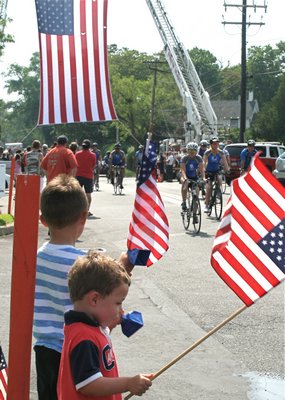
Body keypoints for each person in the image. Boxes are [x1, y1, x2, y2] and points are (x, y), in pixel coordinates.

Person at [57, 251, 153, 399]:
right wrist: (128, 383)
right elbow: (88, 384)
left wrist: (109, 328)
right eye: (118, 303)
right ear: (94, 299)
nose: (120, 310)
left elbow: (98, 352)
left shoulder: (87, 328)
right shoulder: (84, 338)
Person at [33, 175, 89, 400]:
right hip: (77, 348)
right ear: (83, 217)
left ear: (42, 220)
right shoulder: (82, 263)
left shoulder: (36, 258)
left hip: (45, 348)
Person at [180, 142, 205, 221]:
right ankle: (184, 202)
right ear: (187, 151)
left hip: (194, 177)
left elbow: (202, 170)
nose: (192, 153)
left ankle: (194, 214)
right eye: (190, 151)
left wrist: (203, 178)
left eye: (193, 152)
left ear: (196, 152)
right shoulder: (185, 158)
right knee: (185, 184)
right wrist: (185, 178)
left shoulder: (198, 158)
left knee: (196, 196)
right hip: (185, 176)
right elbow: (183, 170)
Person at [203, 137, 229, 213]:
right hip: (209, 171)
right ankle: (207, 205)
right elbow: (204, 162)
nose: (216, 145)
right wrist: (204, 170)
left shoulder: (221, 152)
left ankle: (218, 192)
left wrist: (227, 170)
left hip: (217, 170)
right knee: (209, 188)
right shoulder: (207, 152)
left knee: (220, 178)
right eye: (214, 144)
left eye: (217, 144)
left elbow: (225, 162)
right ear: (211, 144)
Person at [75, 139, 97, 216]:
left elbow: (75, 164)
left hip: (78, 176)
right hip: (88, 176)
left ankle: (77, 210)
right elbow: (93, 166)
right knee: (88, 194)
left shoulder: (77, 154)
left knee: (77, 194)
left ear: (83, 146)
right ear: (89, 146)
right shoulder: (93, 155)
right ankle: (86, 211)